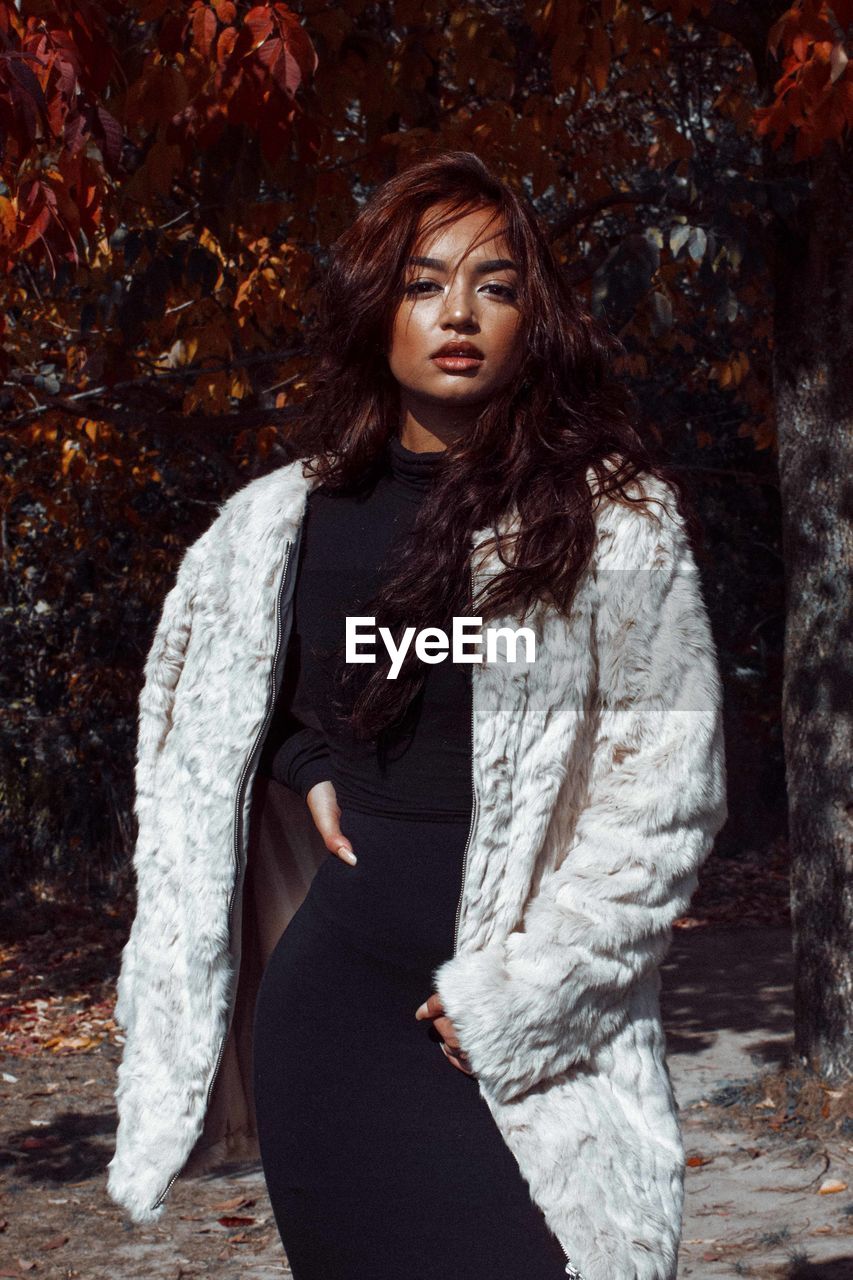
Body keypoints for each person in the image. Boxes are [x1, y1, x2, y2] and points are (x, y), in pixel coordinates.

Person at [106, 151, 728, 1280]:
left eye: (493, 284)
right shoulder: (280, 522)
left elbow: (663, 796)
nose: (457, 313)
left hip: (521, 1021)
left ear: (529, 317)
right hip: (334, 1012)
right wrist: (304, 758)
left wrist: (522, 991)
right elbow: (222, 710)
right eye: (422, 280)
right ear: (373, 307)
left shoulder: (610, 522)